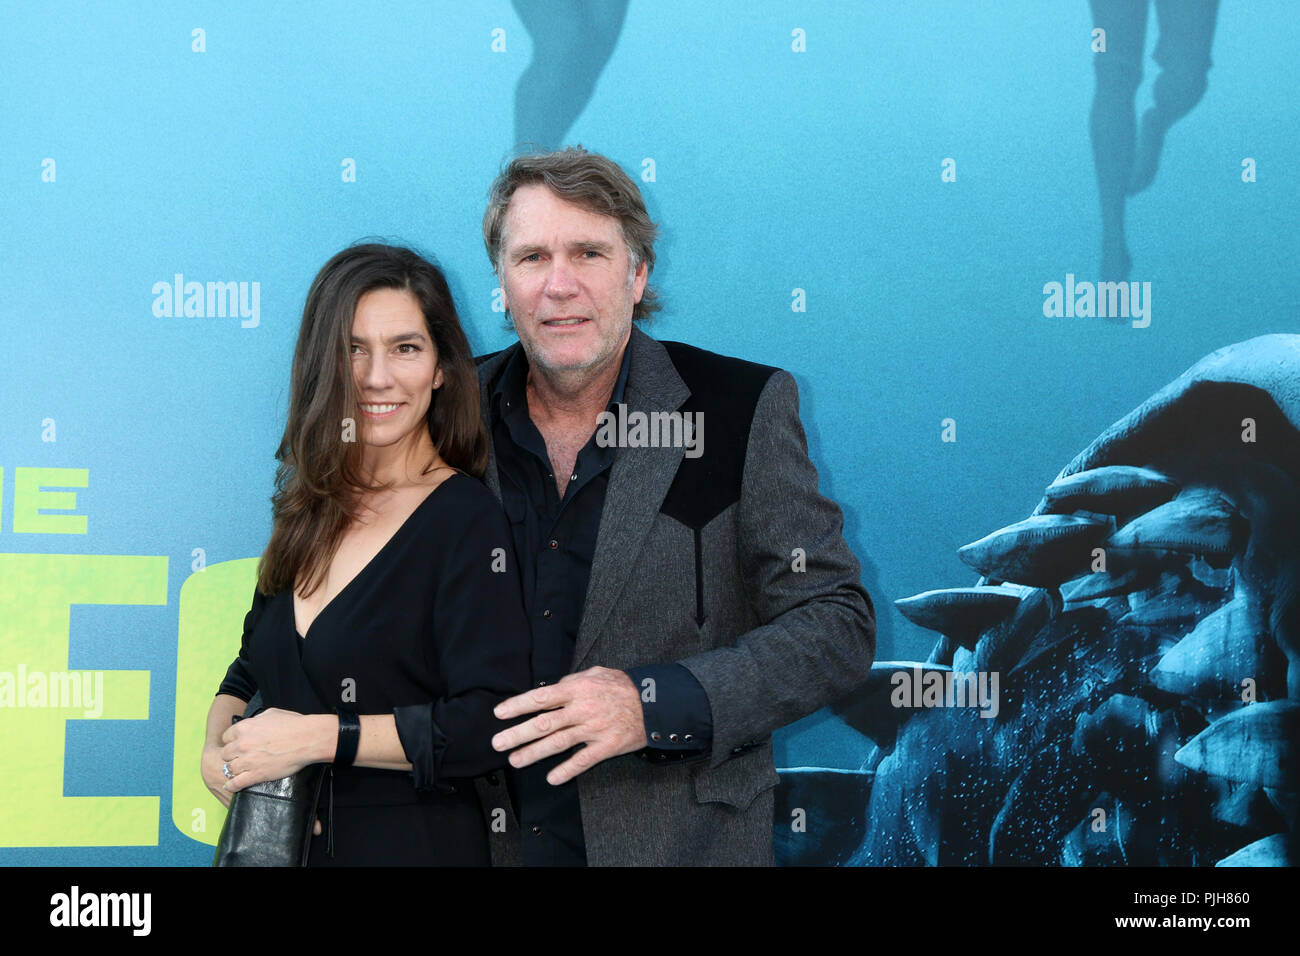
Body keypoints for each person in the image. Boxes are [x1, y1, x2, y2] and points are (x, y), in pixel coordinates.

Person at [471, 147, 877, 866]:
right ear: (500, 285)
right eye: (532, 257)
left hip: (679, 845)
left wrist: (654, 703)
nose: (559, 285)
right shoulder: (441, 417)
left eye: (589, 253)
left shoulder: (740, 409)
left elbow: (836, 623)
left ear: (637, 275)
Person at [201, 243, 531, 866]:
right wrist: (215, 744)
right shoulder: (307, 505)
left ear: (440, 368)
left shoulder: (466, 520)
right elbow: (251, 663)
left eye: (406, 347)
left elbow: (487, 722)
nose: (377, 377)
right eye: (354, 349)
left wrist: (318, 737)